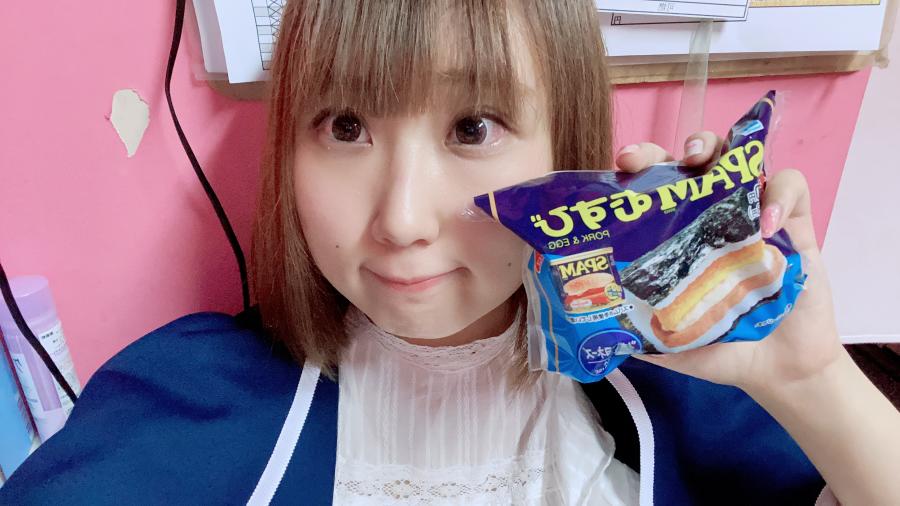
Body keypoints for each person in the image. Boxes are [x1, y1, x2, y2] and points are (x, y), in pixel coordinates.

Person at [2, 1, 898, 504]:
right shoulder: (181, 398)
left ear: (565, 149)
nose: (399, 220)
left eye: (473, 127)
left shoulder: (680, 389)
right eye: (344, 126)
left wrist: (811, 378)